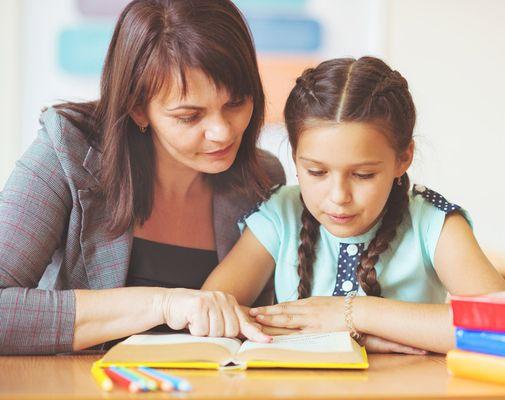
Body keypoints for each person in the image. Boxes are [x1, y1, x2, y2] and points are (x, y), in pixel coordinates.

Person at [0, 0, 285, 355]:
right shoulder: (67, 151)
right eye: (189, 116)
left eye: (236, 103)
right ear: (137, 107)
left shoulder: (262, 179)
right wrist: (164, 305)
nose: (223, 133)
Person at [203, 56, 505, 354]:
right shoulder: (279, 214)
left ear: (403, 159)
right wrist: (359, 337)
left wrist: (355, 313)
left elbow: (497, 325)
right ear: (295, 157)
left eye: (363, 175)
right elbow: (211, 309)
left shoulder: (433, 222)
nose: (339, 196)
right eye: (317, 172)